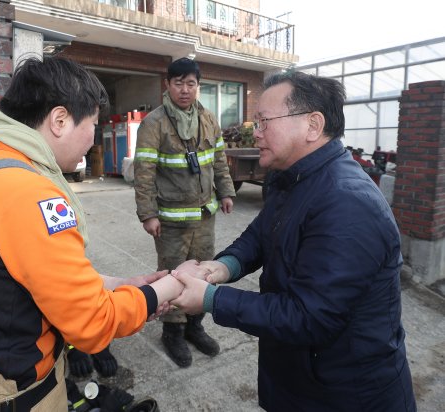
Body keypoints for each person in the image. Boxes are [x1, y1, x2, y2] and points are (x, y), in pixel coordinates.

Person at [0, 57, 186, 411]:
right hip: (4, 395)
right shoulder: (31, 196)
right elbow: (92, 323)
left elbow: (35, 275)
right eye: (92, 123)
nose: (93, 138)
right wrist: (168, 288)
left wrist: (121, 283)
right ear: (59, 121)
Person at [171, 71, 417, 411]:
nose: (255, 133)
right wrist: (222, 267)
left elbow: (309, 317)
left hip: (344, 393)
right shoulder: (294, 177)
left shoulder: (346, 202)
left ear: (312, 125)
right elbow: (260, 234)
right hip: (300, 379)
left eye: (264, 122)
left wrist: (212, 299)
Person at [133, 57, 236, 367]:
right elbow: (144, 171)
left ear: (197, 86)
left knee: (204, 271)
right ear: (168, 85)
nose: (185, 89)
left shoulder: (208, 118)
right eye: (178, 83)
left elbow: (218, 159)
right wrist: (148, 213)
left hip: (205, 216)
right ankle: (173, 333)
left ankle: (195, 327)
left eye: (190, 83)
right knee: (173, 273)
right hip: (171, 220)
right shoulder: (155, 122)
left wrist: (227, 191)